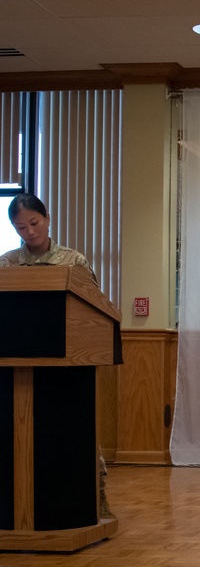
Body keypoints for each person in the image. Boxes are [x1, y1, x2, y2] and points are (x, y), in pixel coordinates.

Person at [1, 193, 116, 520]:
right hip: (17, 365)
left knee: (70, 436)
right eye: (20, 227)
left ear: (47, 218)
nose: (29, 232)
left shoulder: (73, 261)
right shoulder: (6, 264)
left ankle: (88, 506)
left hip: (67, 367)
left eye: (34, 223)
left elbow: (96, 308)